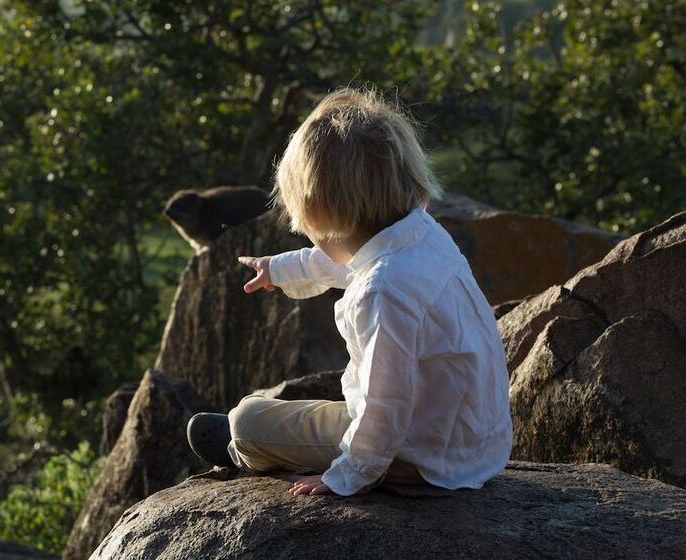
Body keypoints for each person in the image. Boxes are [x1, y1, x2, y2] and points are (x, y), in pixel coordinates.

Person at [186, 84, 513, 497]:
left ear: (322, 214)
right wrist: (280, 269)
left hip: (421, 454)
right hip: (469, 438)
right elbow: (349, 259)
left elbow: (385, 405)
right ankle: (260, 432)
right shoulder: (421, 237)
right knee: (301, 413)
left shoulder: (382, 292)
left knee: (249, 418)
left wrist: (348, 475)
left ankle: (243, 446)